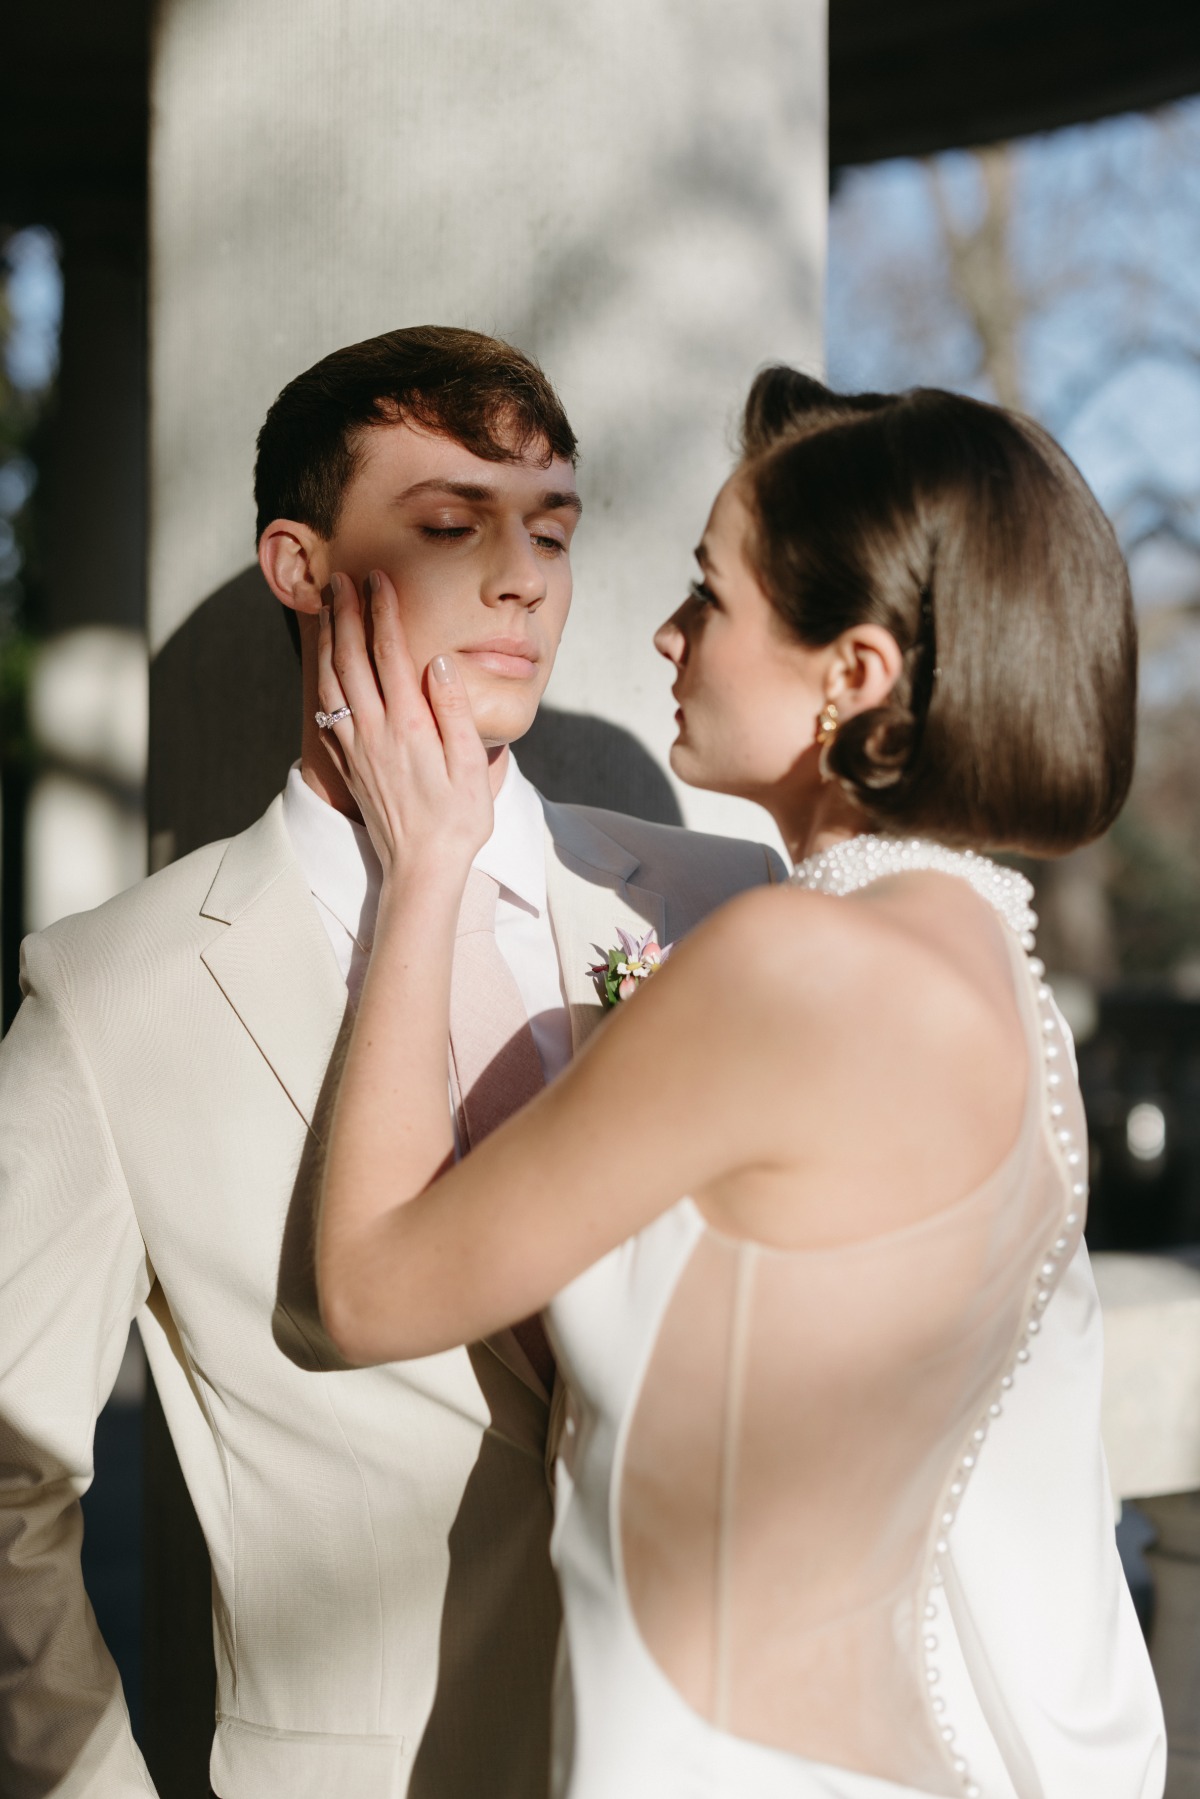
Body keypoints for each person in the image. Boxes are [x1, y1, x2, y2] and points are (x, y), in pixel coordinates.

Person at [315, 368, 1167, 1799]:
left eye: (710, 592)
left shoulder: (791, 964)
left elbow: (371, 1287)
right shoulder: (1005, 996)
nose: (667, 631)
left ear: (854, 673)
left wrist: (425, 871)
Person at [0, 326, 783, 1799]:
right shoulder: (111, 1000)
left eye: (551, 527)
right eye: (449, 524)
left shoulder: (715, 905)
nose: (522, 577)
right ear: (300, 568)